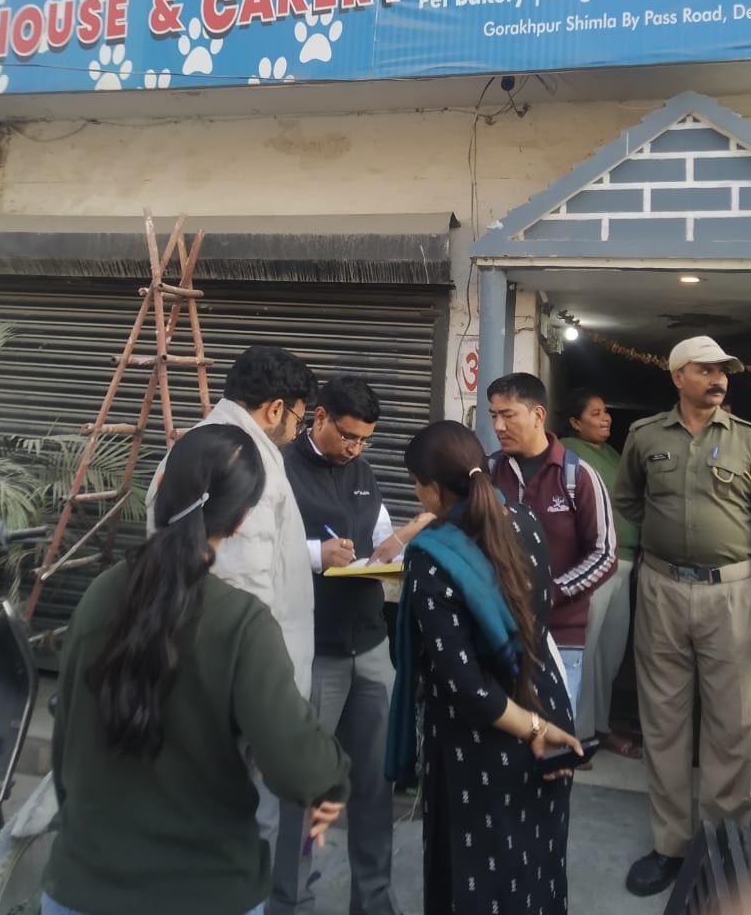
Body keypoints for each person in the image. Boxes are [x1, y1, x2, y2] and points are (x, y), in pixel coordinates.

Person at [43, 425, 350, 915]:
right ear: (241, 519)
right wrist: (335, 773)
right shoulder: (242, 622)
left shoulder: (99, 595)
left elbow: (65, 744)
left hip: (79, 885)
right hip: (206, 890)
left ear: (162, 490)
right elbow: (299, 767)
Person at [614, 335, 751, 899]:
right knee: (663, 721)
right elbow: (628, 499)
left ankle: (720, 847)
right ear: (677, 376)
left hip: (732, 595)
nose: (718, 379)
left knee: (730, 724)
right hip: (662, 590)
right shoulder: (645, 437)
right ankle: (670, 845)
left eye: (723, 371)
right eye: (706, 369)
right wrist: (666, 535)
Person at [387, 420, 581, 915]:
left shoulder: (431, 558)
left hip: (482, 739)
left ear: (434, 489)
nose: (416, 493)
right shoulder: (524, 519)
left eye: (417, 484)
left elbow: (467, 686)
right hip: (544, 702)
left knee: (476, 878)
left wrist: (531, 728)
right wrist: (540, 725)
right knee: (537, 867)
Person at [145, 343, 317, 848]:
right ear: (275, 409)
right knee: (241, 830)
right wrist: (261, 708)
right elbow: (244, 594)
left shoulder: (199, 445)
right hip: (235, 694)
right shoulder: (242, 462)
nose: (298, 432)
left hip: (191, 676)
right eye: (299, 419)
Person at [272, 376, 425, 915]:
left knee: (375, 783)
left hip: (371, 646)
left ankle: (373, 899)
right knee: (304, 785)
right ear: (318, 417)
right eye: (349, 436)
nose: (356, 448)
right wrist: (317, 555)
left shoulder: (363, 472)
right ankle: (291, 900)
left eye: (365, 439)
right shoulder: (278, 470)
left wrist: (396, 552)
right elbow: (256, 547)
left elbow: (378, 539)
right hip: (314, 650)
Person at [486, 372, 617, 711]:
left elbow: (604, 554)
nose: (498, 426)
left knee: (550, 733)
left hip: (560, 636)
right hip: (495, 630)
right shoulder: (487, 473)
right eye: (493, 415)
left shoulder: (578, 476)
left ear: (538, 415)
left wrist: (551, 593)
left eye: (508, 415)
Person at [560, 388, 642, 757]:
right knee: (586, 651)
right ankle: (574, 734)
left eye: (605, 411)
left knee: (609, 652)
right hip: (595, 564)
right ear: (575, 422)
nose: (605, 417)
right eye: (595, 413)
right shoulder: (568, 451)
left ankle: (599, 726)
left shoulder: (611, 453)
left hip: (625, 563)